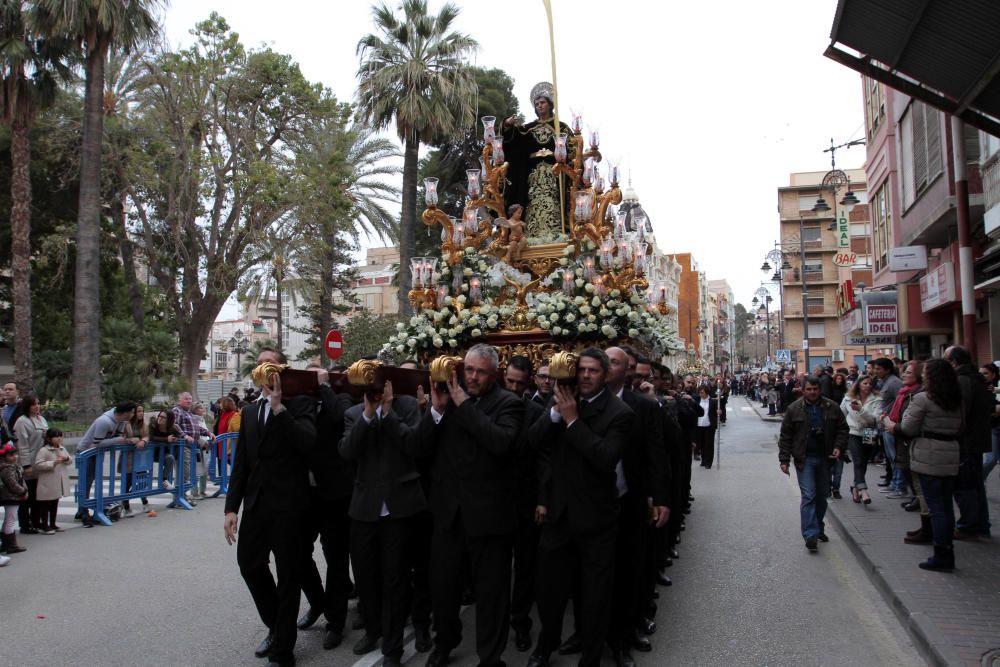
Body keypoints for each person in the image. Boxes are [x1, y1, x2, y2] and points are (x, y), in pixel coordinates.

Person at [409, 344, 523, 667]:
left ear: (494, 374)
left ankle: (490, 656)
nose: (472, 377)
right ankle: (444, 642)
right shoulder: (447, 401)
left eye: (480, 371)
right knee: (443, 590)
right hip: (449, 516)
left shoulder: (509, 404)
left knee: (491, 594)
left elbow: (500, 444)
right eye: (468, 370)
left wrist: (463, 405)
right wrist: (435, 411)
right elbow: (417, 448)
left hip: (490, 519)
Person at [526, 348, 633, 667]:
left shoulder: (620, 413)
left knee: (596, 595)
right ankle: (545, 646)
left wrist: (573, 422)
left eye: (593, 371)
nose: (585, 376)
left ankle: (591, 657)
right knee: (549, 591)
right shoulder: (559, 400)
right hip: (559, 517)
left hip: (597, 519)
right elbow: (532, 445)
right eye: (582, 370)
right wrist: (556, 415)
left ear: (605, 375)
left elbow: (605, 458)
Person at [224, 347, 317, 667]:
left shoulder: (299, 403)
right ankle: (277, 626)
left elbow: (308, 444)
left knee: (289, 575)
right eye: (261, 364)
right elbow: (241, 465)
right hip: (257, 504)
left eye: (271, 364)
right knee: (249, 564)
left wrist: (280, 409)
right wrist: (231, 508)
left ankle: (283, 648)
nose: (264, 368)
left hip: (290, 505)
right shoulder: (249, 412)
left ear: (282, 370)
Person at [339, 379, 424, 667]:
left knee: (395, 580)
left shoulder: (407, 406)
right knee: (366, 579)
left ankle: (393, 648)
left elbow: (414, 446)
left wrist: (388, 412)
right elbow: (347, 451)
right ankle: (373, 630)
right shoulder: (354, 414)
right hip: (365, 509)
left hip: (399, 509)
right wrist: (368, 412)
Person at [883, 359, 963, 571]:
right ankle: (948, 551)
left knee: (936, 507)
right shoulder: (956, 399)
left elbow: (908, 428)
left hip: (928, 455)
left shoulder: (923, 399)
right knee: (946, 506)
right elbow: (961, 425)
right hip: (951, 453)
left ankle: (941, 555)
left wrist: (891, 425)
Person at [298, 366, 355, 653]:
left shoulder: (341, 399)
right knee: (297, 552)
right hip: (305, 494)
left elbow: (337, 417)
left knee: (335, 559)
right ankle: (318, 601)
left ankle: (335, 621)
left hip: (334, 494)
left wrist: (325, 389)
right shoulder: (299, 403)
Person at [503, 356, 545, 653]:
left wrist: (542, 499)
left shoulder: (535, 412)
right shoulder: (487, 408)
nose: (515, 387)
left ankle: (520, 623)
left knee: (526, 567)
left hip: (526, 502)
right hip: (494, 503)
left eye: (520, 382)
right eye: (510, 381)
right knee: (495, 569)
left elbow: (544, 460)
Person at [778, 376, 848, 552]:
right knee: (809, 495)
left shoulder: (832, 407)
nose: (812, 392)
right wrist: (784, 460)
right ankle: (810, 534)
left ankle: (817, 527)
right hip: (805, 458)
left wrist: (839, 446)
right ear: (803, 390)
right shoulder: (794, 409)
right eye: (809, 389)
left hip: (825, 457)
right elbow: (786, 436)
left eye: (815, 389)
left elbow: (843, 429)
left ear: (820, 389)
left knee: (822, 496)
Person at [502, 81, 573, 241]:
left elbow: (574, 150)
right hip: (533, 177)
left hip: (554, 175)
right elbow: (511, 144)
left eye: (542, 103)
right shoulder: (527, 129)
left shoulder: (561, 128)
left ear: (550, 104)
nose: (539, 106)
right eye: (537, 104)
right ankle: (532, 235)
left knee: (554, 202)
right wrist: (507, 126)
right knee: (533, 203)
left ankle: (556, 234)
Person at [943, 346, 993, 538]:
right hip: (976, 440)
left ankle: (969, 525)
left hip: (967, 441)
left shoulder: (963, 381)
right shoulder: (975, 379)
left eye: (947, 360)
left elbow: (960, 412)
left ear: (954, 362)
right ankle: (980, 524)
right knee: (975, 484)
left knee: (966, 486)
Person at [76, 402, 136, 525]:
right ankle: (83, 510)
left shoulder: (121, 422)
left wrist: (120, 439)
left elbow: (116, 438)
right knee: (86, 481)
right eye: (132, 412)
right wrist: (118, 440)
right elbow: (97, 442)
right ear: (125, 412)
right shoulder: (104, 421)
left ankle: (82, 509)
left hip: (97, 453)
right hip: (86, 452)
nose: (133, 414)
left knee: (91, 479)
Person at [840, 375, 881, 505]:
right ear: (858, 385)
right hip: (853, 432)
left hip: (868, 431)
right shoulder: (848, 398)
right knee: (857, 460)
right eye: (865, 383)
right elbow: (842, 415)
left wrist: (861, 410)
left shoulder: (877, 399)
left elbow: (874, 420)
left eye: (870, 384)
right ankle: (863, 490)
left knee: (863, 462)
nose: (868, 386)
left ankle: (855, 486)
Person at [13, 394, 46, 534]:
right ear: (27, 406)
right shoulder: (21, 421)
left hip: (40, 461)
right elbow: (22, 445)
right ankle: (25, 525)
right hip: (29, 463)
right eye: (34, 404)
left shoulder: (41, 419)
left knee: (37, 495)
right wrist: (26, 465)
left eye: (38, 404)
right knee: (27, 496)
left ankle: (36, 521)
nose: (37, 407)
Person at [872, 358, 903, 494]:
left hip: (890, 424)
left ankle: (899, 485)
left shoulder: (894, 383)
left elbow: (900, 402)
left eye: (878, 369)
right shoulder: (884, 382)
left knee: (895, 456)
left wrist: (891, 419)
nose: (875, 371)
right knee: (890, 457)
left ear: (887, 369)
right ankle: (894, 482)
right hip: (884, 424)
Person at [32, 428, 71, 534]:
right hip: (47, 481)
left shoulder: (62, 449)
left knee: (55, 503)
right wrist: (53, 463)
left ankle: (53, 523)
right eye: (56, 436)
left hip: (58, 480)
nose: (59, 438)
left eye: (60, 436)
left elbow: (69, 460)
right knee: (45, 504)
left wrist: (66, 459)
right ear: (49, 439)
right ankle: (44, 525)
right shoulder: (44, 450)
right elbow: (38, 464)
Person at [0, 442, 28, 555]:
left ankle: (6, 543)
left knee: (8, 519)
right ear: (4, 457)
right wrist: (23, 491)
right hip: (11, 496)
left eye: (15, 454)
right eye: (11, 455)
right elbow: (12, 483)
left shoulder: (12, 466)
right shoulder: (7, 468)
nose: (15, 457)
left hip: (11, 496)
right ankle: (11, 545)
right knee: (10, 520)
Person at [122, 405, 149, 517]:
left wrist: (143, 440)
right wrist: (131, 440)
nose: (141, 413)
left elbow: (147, 436)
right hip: (128, 456)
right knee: (127, 482)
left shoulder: (143, 424)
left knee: (142, 479)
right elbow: (121, 438)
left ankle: (145, 502)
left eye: (142, 411)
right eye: (138, 411)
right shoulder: (126, 424)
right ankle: (126, 505)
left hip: (140, 457)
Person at [148, 410, 181, 493]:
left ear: (169, 420)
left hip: (164, 453)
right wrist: (166, 439)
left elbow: (180, 435)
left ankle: (164, 480)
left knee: (170, 458)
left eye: (163, 417)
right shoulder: (153, 425)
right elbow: (151, 437)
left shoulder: (172, 428)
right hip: (150, 452)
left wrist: (176, 438)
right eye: (159, 416)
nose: (160, 418)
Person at [981, 362, 1000, 482]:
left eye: (985, 373)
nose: (982, 376)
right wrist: (994, 409)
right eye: (981, 373)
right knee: (991, 459)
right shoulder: (979, 388)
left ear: (993, 375)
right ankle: (979, 482)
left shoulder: (994, 387)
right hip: (992, 428)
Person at [694, 385, 719, 468]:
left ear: (706, 393)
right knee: (701, 444)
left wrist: (719, 412)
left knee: (709, 444)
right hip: (699, 425)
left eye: (702, 393)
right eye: (699, 393)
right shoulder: (697, 400)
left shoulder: (712, 401)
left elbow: (716, 412)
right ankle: (703, 460)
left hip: (709, 425)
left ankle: (708, 462)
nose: (700, 394)